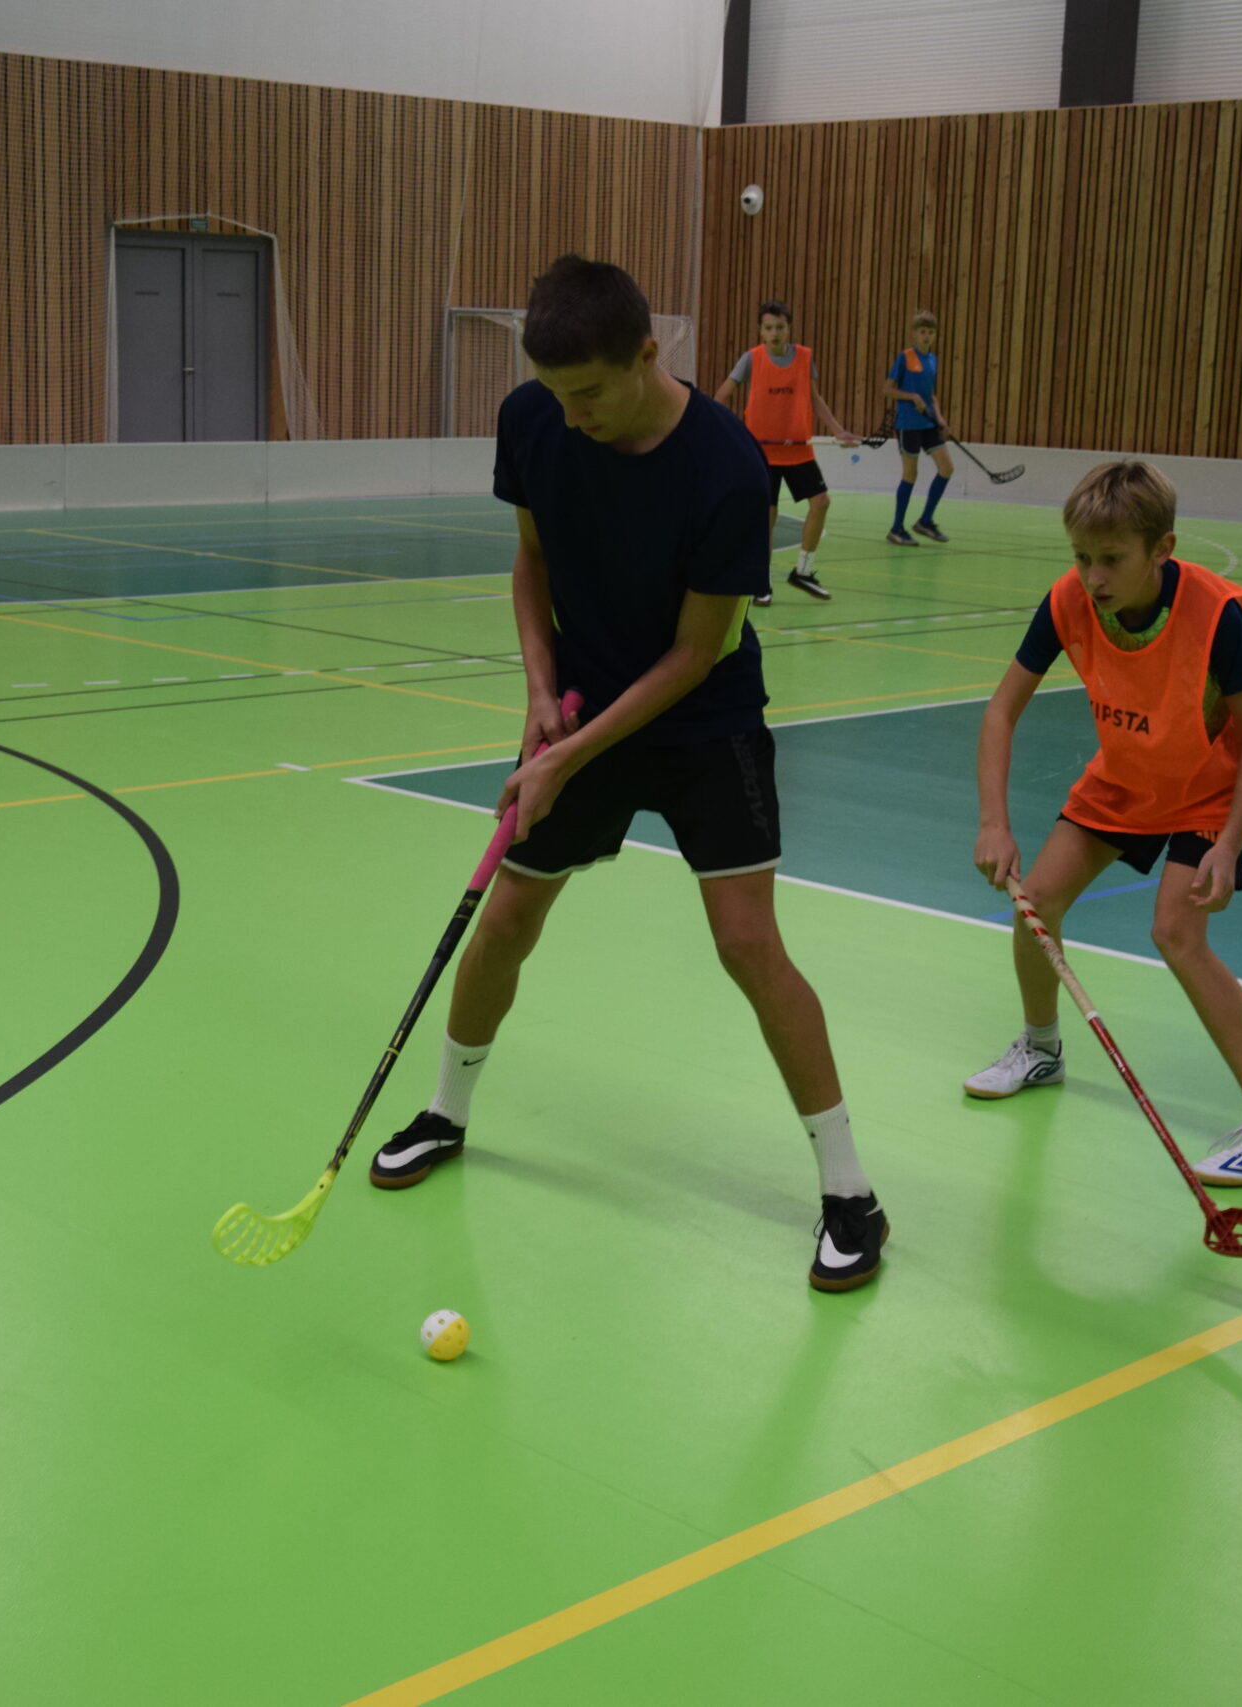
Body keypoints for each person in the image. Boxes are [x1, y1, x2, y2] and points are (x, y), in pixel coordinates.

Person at [368, 255, 888, 1292]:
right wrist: (537, 697)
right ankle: (446, 1112)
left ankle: (850, 1193)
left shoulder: (728, 468)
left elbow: (697, 652)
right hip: (576, 706)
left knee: (747, 944)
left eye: (590, 394)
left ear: (649, 354)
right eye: (556, 394)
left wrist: (567, 755)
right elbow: (531, 562)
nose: (573, 417)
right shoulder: (533, 419)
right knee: (506, 922)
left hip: (703, 723)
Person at [963, 460, 1242, 1188]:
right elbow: (1000, 711)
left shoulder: (1215, 614)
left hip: (1205, 791)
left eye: (1112, 559)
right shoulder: (1068, 600)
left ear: (1162, 549)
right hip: (1124, 780)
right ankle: (1042, 1050)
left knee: (1176, 933)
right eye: (1081, 557)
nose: (1093, 577)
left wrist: (1229, 843)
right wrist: (994, 822)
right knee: (1037, 903)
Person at [712, 299, 859, 607]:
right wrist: (732, 434)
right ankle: (761, 581)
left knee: (821, 503)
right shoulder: (751, 359)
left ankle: (803, 571)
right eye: (769, 328)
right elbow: (721, 396)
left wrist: (838, 430)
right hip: (762, 454)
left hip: (798, 451)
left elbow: (815, 398)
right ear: (760, 330)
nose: (774, 333)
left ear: (789, 328)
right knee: (767, 516)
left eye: (780, 327)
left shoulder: (805, 358)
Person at [882, 311, 956, 548]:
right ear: (914, 334)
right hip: (908, 424)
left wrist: (940, 418)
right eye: (922, 332)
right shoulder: (905, 357)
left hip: (928, 422)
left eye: (931, 332)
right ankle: (896, 528)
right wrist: (911, 396)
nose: (926, 336)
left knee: (947, 468)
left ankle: (925, 521)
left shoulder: (932, 359)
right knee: (910, 475)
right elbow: (887, 389)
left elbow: (930, 395)